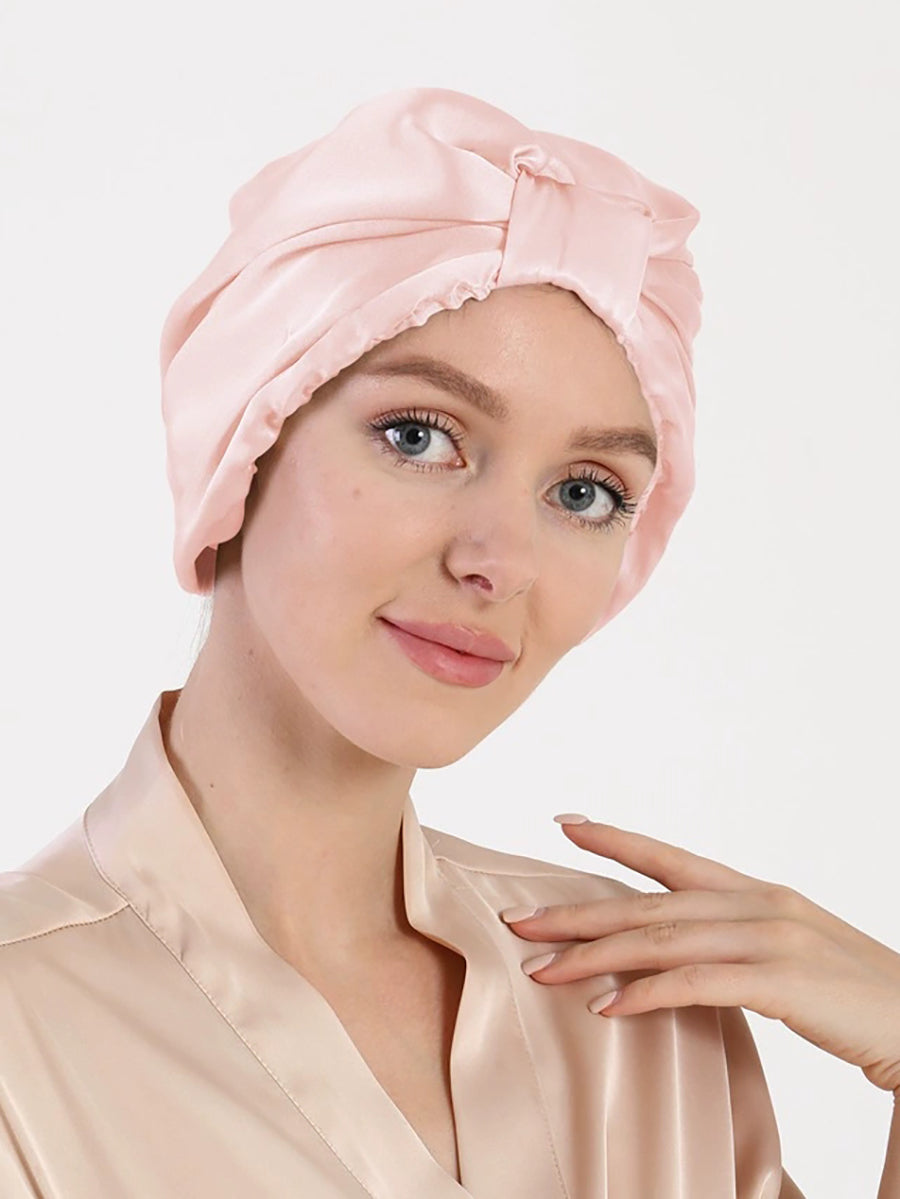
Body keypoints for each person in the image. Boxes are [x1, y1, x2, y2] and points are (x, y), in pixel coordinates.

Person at [2, 87, 898, 1199]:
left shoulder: (642, 1008)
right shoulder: (24, 1033)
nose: (498, 560)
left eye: (583, 491)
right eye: (419, 436)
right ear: (245, 436)